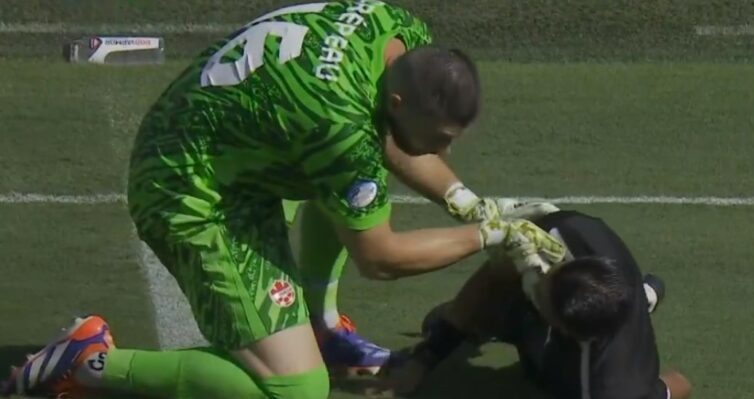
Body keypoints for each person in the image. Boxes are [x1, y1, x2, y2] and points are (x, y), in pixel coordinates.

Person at [1, 2, 564, 399]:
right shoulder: (338, 126)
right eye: (441, 139)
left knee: (352, 181)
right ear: (397, 98)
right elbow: (381, 257)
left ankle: (320, 325)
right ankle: (85, 361)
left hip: (226, 139)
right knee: (294, 389)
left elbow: (390, 141)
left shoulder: (393, 27)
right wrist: (492, 235)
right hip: (189, 191)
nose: (444, 151)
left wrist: (467, 202)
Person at [374, 210, 693, 399]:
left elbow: (680, 385)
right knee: (490, 299)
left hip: (601, 367)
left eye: (542, 294)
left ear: (563, 329)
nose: (537, 278)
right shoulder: (564, 234)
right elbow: (496, 274)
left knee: (545, 379)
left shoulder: (614, 385)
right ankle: (644, 295)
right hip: (614, 295)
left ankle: (644, 298)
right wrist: (430, 354)